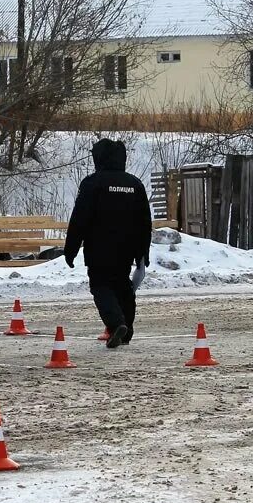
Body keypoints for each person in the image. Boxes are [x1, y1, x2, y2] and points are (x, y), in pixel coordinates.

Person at [62, 138, 153, 349]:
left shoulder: (92, 183)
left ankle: (116, 324)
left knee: (101, 286)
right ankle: (127, 330)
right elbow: (144, 222)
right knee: (123, 286)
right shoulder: (135, 184)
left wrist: (71, 250)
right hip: (126, 249)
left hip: (98, 248)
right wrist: (143, 252)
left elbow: (79, 219)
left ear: (98, 158)